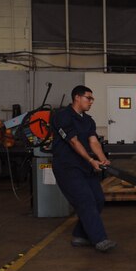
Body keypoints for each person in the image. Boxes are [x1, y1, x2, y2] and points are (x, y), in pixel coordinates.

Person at [51, 85, 117, 253]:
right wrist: (90, 159)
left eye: (92, 99)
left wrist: (103, 159)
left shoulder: (88, 120)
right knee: (85, 200)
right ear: (77, 98)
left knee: (98, 199)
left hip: (84, 166)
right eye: (89, 98)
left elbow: (93, 141)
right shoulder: (62, 116)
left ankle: (80, 235)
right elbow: (73, 141)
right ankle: (100, 239)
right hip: (67, 168)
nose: (91, 101)